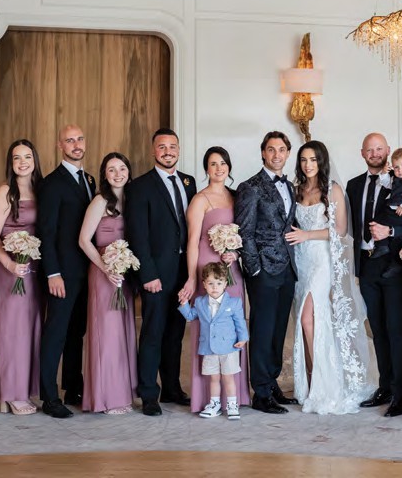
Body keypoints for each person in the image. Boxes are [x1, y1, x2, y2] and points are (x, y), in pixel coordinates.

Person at [284, 140, 376, 414]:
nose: (307, 164)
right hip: (301, 259)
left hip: (322, 259)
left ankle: (322, 382)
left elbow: (341, 231)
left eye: (312, 159)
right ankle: (312, 378)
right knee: (306, 320)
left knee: (307, 316)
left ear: (321, 161)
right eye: (303, 160)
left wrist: (307, 235)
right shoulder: (296, 189)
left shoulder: (333, 189)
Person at [346, 133, 402, 418]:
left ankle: (401, 394)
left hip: (393, 264)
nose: (375, 153)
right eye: (370, 149)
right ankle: (385, 386)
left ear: (388, 152)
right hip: (366, 266)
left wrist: (391, 232)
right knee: (377, 329)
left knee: (395, 329)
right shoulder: (353, 186)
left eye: (380, 149)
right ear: (362, 153)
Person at [126, 128, 197, 416]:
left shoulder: (189, 182)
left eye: (172, 146)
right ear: (153, 151)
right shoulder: (140, 186)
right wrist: (147, 274)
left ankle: (171, 387)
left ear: (178, 150)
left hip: (183, 272)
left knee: (176, 332)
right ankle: (148, 394)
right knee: (153, 332)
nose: (168, 151)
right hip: (155, 273)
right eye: (162, 147)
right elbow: (137, 235)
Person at [177, 147, 250, 413]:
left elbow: (244, 234)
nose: (219, 168)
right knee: (207, 327)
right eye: (213, 164)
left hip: (232, 271)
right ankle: (208, 398)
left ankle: (235, 397)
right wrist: (191, 278)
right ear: (206, 169)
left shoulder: (236, 197)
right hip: (207, 270)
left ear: (229, 167)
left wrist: (235, 252)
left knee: (232, 324)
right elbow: (193, 241)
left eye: (223, 163)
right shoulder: (200, 200)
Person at [234, 131, 299, 414]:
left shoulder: (291, 187)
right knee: (262, 330)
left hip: (287, 268)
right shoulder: (251, 186)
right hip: (263, 270)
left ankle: (271, 384)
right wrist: (255, 269)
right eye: (271, 150)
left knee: (278, 330)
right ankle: (260, 392)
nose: (276, 155)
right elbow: (244, 231)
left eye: (282, 149)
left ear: (287, 153)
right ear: (263, 153)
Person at [37, 124, 95, 419]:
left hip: (86, 273)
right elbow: (45, 232)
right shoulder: (51, 183)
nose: (76, 144)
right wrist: (52, 273)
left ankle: (73, 387)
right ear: (60, 146)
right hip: (61, 274)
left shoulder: (89, 179)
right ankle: (49, 397)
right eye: (69, 140)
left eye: (79, 139)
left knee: (77, 332)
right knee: (56, 333)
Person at [78, 152, 138, 415]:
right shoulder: (100, 201)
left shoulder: (132, 199)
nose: (117, 173)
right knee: (107, 334)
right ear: (104, 174)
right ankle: (106, 397)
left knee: (123, 333)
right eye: (111, 169)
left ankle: (123, 392)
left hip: (123, 274)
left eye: (122, 168)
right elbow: (83, 240)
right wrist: (105, 268)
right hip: (103, 274)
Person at [0, 139, 43, 415]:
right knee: (12, 330)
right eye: (17, 158)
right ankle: (11, 393)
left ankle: (22, 389)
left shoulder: (40, 189)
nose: (23, 162)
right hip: (10, 270)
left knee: (30, 329)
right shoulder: (5, 192)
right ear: (10, 163)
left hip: (33, 269)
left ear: (35, 160)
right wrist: (9, 264)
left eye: (28, 156)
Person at [178, 262, 249, 420]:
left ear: (225, 283)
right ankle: (214, 404)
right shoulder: (200, 302)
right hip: (209, 348)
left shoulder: (234, 302)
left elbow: (240, 322)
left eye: (218, 283)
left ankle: (232, 404)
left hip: (229, 348)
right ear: (204, 284)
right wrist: (183, 304)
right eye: (210, 283)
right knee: (214, 378)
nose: (214, 287)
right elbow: (191, 316)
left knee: (229, 378)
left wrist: (243, 338)